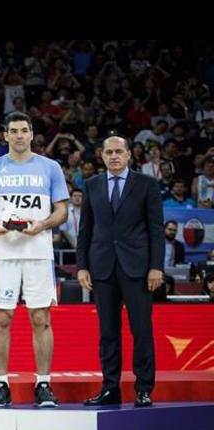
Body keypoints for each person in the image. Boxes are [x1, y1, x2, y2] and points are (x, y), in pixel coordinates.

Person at [0, 111, 69, 408]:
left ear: (31, 134)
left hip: (38, 251)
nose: (18, 135)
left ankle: (44, 384)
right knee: (1, 318)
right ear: (5, 135)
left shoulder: (50, 167)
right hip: (4, 252)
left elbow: (62, 210)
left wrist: (42, 225)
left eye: (23, 130)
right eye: (13, 131)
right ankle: (1, 385)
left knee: (41, 318)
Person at [77, 136, 164, 407]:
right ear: (102, 156)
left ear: (128, 155)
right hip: (102, 267)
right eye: (109, 152)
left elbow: (156, 230)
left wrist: (156, 267)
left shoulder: (147, 185)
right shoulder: (92, 186)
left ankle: (144, 388)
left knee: (141, 329)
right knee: (108, 332)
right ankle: (110, 388)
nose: (114, 156)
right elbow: (85, 230)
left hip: (137, 268)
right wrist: (81, 266)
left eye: (119, 151)